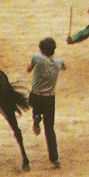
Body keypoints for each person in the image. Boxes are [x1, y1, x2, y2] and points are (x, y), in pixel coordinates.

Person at [26, 37, 65, 168]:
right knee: (49, 129)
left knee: (32, 99)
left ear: (41, 49)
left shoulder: (37, 57)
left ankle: (36, 115)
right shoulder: (59, 61)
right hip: (49, 98)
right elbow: (64, 67)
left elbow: (28, 69)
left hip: (36, 96)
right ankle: (54, 158)